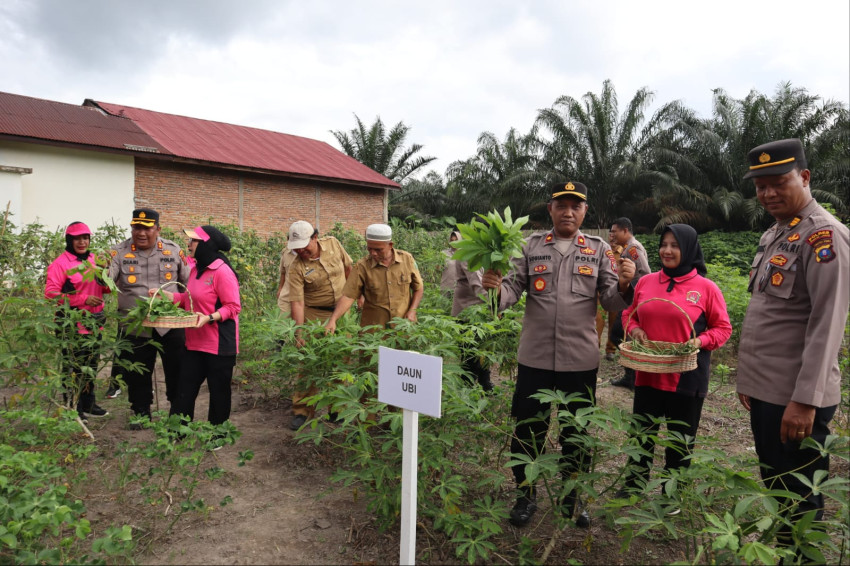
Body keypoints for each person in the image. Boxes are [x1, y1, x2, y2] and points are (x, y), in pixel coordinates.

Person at [482, 181, 636, 529]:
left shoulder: (597, 250)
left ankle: (573, 497)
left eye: (575, 206)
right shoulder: (530, 246)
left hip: (579, 360)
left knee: (576, 433)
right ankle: (526, 495)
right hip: (534, 358)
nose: (568, 211)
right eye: (561, 205)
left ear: (584, 212)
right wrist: (493, 289)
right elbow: (511, 290)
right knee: (527, 429)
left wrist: (626, 285)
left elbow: (611, 300)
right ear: (549, 209)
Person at [735, 139, 849, 549]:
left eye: (778, 182)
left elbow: (827, 324)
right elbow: (771, 314)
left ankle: (802, 558)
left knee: (799, 496)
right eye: (760, 186)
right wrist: (750, 380)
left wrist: (806, 400)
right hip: (769, 390)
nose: (767, 194)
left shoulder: (824, 236)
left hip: (796, 398)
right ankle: (787, 553)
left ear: (804, 177)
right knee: (778, 486)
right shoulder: (777, 233)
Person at [617, 224, 732, 501]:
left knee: (680, 441)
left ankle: (673, 494)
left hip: (687, 377)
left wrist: (699, 342)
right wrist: (635, 330)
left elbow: (722, 328)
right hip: (649, 373)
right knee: (642, 435)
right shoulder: (646, 282)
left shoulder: (706, 288)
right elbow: (628, 314)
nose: (667, 251)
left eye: (675, 245)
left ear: (689, 249)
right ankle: (634, 485)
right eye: (664, 244)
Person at [107, 208, 190, 424]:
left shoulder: (172, 251)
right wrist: (99, 270)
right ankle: (141, 413)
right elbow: (107, 281)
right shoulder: (118, 253)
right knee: (138, 373)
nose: (141, 233)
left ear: (158, 229)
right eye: (136, 228)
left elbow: (189, 282)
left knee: (176, 369)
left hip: (170, 324)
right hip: (135, 326)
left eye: (146, 228)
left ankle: (177, 413)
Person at [157, 225, 242, 427]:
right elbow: (188, 300)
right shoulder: (195, 269)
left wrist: (209, 318)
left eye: (193, 241)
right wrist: (167, 296)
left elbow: (233, 307)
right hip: (194, 343)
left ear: (206, 244)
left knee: (218, 392)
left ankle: (217, 433)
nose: (189, 244)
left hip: (219, 344)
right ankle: (177, 430)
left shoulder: (222, 271)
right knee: (184, 388)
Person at [285, 221, 353, 430]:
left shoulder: (333, 244)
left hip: (342, 312)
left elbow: (349, 268)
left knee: (340, 361)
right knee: (309, 363)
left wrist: (355, 294)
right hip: (314, 314)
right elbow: (297, 302)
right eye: (296, 247)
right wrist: (300, 332)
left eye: (305, 245)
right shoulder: (296, 267)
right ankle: (302, 410)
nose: (301, 251)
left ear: (315, 237)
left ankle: (337, 408)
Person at [44, 221, 112, 421]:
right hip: (70, 324)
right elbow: (51, 294)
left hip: (94, 321)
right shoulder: (60, 263)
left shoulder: (93, 260)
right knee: (72, 367)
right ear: (69, 240)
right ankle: (72, 406)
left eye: (85, 238)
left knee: (91, 365)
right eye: (77, 238)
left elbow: (105, 288)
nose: (82, 242)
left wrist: (105, 275)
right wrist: (82, 299)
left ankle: (88, 403)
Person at [325, 223, 423, 334]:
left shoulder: (407, 259)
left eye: (378, 249)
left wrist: (412, 311)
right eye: (369, 249)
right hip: (374, 330)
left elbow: (418, 288)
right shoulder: (362, 266)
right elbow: (348, 296)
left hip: (403, 326)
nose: (373, 253)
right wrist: (333, 320)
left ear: (390, 245)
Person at [608, 217, 652, 390]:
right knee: (621, 334)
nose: (612, 235)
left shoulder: (633, 248)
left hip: (634, 301)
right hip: (630, 299)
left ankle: (634, 374)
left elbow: (646, 274)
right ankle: (630, 375)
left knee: (618, 333)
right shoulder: (627, 248)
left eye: (615, 231)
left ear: (625, 230)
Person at [450, 232, 493, 391]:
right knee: (470, 355)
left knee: (482, 350)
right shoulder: (467, 253)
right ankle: (465, 391)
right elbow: (477, 283)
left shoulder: (483, 253)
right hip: (466, 311)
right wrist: (496, 305)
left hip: (480, 311)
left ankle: (485, 384)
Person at [439, 230, 461, 296]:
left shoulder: (464, 253)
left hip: (460, 287)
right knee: (444, 305)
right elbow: (439, 269)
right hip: (446, 287)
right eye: (452, 240)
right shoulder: (444, 253)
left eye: (456, 240)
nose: (454, 242)